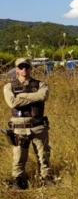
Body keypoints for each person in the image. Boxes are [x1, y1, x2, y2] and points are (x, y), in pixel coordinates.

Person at [3, 58, 51, 189]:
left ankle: (45, 178)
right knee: (18, 157)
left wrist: (21, 96)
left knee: (44, 156)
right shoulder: (9, 86)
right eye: (21, 66)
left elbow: (42, 96)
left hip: (38, 126)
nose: (24, 69)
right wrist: (32, 96)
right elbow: (12, 103)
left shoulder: (40, 84)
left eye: (27, 66)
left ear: (30, 68)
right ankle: (18, 179)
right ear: (16, 69)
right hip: (19, 128)